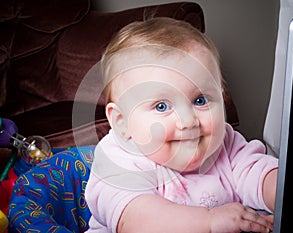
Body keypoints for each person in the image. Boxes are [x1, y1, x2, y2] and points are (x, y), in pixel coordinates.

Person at [85, 17, 278, 233]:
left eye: (200, 100)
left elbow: (257, 173)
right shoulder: (118, 159)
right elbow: (136, 221)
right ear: (122, 123)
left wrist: (276, 189)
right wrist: (209, 221)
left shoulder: (224, 141)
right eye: (161, 106)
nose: (188, 121)